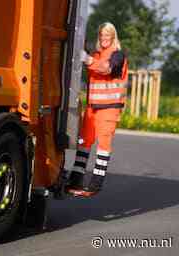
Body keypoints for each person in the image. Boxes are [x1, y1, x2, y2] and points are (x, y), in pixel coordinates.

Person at [66, 22, 128, 197]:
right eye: (101, 35)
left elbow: (106, 69)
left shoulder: (118, 55)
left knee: (103, 146)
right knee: (84, 143)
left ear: (113, 36)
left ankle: (95, 183)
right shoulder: (97, 54)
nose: (104, 38)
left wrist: (88, 59)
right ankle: (76, 178)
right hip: (92, 109)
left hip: (109, 109)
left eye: (107, 35)